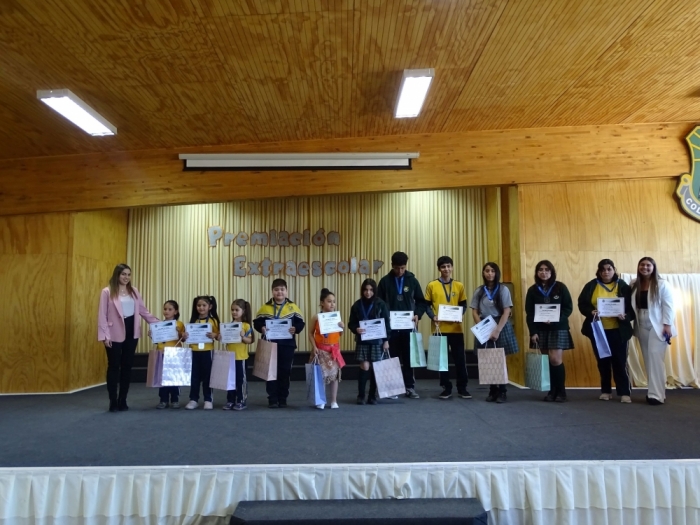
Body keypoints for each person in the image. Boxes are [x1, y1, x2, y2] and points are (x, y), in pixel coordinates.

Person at [97, 263, 159, 412]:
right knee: (114, 366)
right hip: (113, 333)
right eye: (123, 274)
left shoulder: (134, 291)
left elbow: (143, 311)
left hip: (132, 331)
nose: (126, 277)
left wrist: (161, 325)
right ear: (117, 275)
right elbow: (102, 315)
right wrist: (105, 336)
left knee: (127, 367)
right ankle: (113, 401)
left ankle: (123, 399)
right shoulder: (107, 291)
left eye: (128, 274)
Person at [577, 259, 635, 403]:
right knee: (603, 362)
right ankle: (606, 391)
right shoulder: (591, 285)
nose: (606, 272)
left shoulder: (623, 286)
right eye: (602, 269)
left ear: (614, 270)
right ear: (599, 271)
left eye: (609, 269)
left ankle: (624, 392)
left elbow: (632, 308)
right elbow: (582, 304)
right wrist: (591, 312)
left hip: (618, 331)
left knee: (620, 362)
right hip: (598, 330)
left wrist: (625, 316)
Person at [377, 251, 427, 399]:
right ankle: (392, 387)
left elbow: (422, 302)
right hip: (391, 328)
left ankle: (409, 387)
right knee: (392, 357)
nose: (400, 271)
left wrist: (418, 314)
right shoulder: (385, 282)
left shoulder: (412, 281)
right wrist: (384, 317)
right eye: (397, 268)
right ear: (392, 265)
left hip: (408, 327)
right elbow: (378, 303)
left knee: (408, 358)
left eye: (403, 268)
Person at [525, 260, 574, 402]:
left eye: (547, 270)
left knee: (555, 359)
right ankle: (552, 391)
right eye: (540, 269)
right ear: (537, 272)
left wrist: (556, 319)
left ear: (552, 272)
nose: (544, 272)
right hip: (541, 329)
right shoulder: (532, 290)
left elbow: (568, 308)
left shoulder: (560, 287)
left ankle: (561, 392)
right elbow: (530, 313)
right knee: (548, 360)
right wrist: (533, 332)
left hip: (558, 328)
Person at [469, 262, 519, 403]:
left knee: (500, 358)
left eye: (492, 271)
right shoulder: (479, 291)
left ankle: (502, 391)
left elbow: (507, 311)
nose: (490, 273)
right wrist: (481, 327)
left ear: (496, 273)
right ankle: (493, 390)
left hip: (500, 324)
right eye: (487, 271)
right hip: (485, 323)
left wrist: (497, 330)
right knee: (487, 358)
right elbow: (474, 311)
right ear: (483, 273)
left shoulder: (503, 289)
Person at [630, 257, 676, 405]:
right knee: (648, 358)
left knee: (656, 357)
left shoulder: (662, 284)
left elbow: (668, 305)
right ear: (638, 267)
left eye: (648, 265)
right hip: (641, 322)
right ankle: (653, 391)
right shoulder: (634, 284)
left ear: (653, 267)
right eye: (642, 265)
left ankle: (656, 396)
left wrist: (667, 325)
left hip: (659, 324)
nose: (645, 267)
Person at [254, 279, 305, 408]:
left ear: (286, 291)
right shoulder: (265, 307)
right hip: (269, 345)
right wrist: (261, 328)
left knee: (285, 371)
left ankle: (283, 398)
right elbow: (257, 322)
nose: (279, 292)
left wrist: (296, 328)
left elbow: (301, 323)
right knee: (270, 372)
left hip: (287, 346)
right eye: (276, 290)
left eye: (282, 289)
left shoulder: (293, 307)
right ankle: (272, 399)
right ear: (272, 291)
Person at [425, 256, 470, 400]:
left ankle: (462, 388)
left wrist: (460, 314)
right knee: (442, 361)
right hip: (439, 329)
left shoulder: (459, 285)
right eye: (443, 267)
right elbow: (426, 305)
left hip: (456, 329)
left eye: (449, 266)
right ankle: (446, 388)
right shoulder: (432, 285)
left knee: (460, 360)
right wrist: (433, 316)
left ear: (452, 267)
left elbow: (463, 305)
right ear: (439, 269)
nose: (446, 269)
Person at [349, 279, 392, 405]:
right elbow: (351, 323)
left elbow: (387, 323)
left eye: (371, 290)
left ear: (374, 291)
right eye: (366, 290)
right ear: (362, 290)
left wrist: (386, 340)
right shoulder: (357, 305)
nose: (368, 293)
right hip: (363, 341)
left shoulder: (381, 304)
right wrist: (356, 329)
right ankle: (361, 396)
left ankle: (372, 396)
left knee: (375, 368)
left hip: (377, 341)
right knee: (364, 366)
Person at [308, 288, 346, 409]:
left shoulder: (336, 317)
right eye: (329, 301)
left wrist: (342, 327)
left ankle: (334, 400)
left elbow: (340, 334)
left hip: (333, 350)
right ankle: (321, 400)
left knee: (334, 377)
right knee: (321, 376)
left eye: (334, 301)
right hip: (320, 350)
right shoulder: (316, 317)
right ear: (322, 303)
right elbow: (310, 333)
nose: (332, 304)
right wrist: (314, 347)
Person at [184, 296, 220, 410]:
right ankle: (193, 399)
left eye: (204, 305)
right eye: (199, 305)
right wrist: (184, 336)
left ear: (210, 307)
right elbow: (185, 338)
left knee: (207, 377)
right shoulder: (193, 321)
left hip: (207, 352)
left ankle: (208, 399)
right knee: (194, 377)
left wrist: (215, 335)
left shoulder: (213, 321)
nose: (201, 308)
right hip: (194, 351)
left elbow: (219, 336)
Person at [221, 299, 254, 411]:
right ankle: (230, 400)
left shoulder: (246, 325)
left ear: (243, 311)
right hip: (229, 357)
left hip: (241, 357)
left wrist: (243, 337)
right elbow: (224, 340)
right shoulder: (228, 325)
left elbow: (250, 340)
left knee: (240, 380)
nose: (234, 312)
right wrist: (221, 337)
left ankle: (241, 400)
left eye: (237, 310)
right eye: (232, 310)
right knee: (230, 380)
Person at [152, 300, 185, 409]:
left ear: (175, 311)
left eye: (170, 309)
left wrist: (179, 332)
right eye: (165, 309)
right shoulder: (159, 324)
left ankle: (175, 399)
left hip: (175, 354)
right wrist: (152, 335)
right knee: (162, 378)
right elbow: (158, 341)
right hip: (162, 353)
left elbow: (183, 339)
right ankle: (163, 400)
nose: (166, 311)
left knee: (174, 377)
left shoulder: (179, 324)